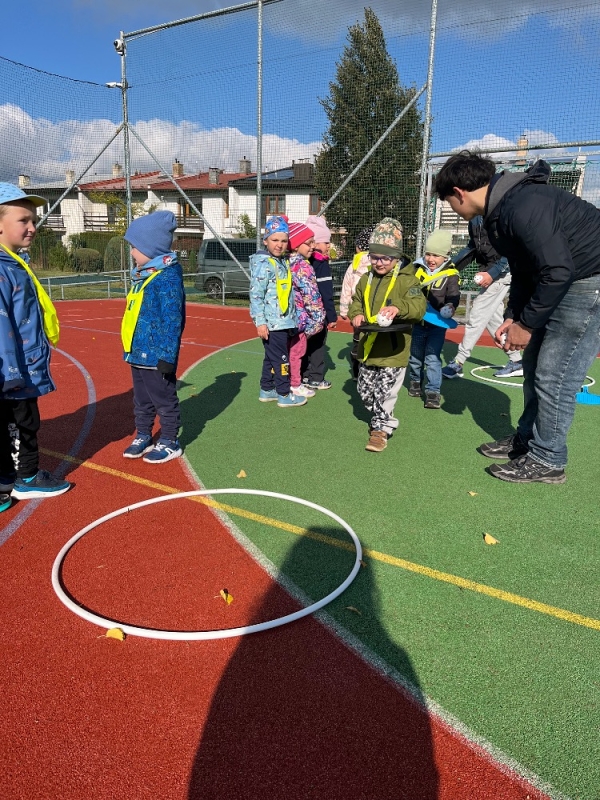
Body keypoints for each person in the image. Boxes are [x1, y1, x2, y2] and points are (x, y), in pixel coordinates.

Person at [434, 149, 600, 483]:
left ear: (459, 193)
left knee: (556, 375)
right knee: (536, 368)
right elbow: (524, 269)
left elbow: (556, 269)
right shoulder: (499, 211)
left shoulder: (522, 205)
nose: (453, 210)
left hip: (587, 281)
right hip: (565, 278)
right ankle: (528, 439)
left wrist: (527, 324)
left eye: (449, 203)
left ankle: (548, 458)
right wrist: (513, 316)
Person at [0, 183, 70, 505]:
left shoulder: (14, 262)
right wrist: (13, 373)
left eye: (34, 220)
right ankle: (27, 477)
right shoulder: (3, 269)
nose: (32, 227)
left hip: (17, 365)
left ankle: (4, 484)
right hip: (15, 370)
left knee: (10, 424)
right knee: (24, 424)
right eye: (24, 220)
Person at [349, 218, 426, 452]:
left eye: (385, 258)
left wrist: (398, 308)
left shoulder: (409, 280)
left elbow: (419, 307)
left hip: (394, 350)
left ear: (396, 257)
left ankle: (381, 429)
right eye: (374, 257)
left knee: (384, 393)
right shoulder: (365, 279)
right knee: (364, 392)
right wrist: (356, 314)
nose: (379, 262)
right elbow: (356, 302)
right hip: (368, 347)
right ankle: (380, 416)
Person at [121, 210, 186, 463]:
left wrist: (167, 357)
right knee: (141, 399)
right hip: (138, 351)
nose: (131, 252)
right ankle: (144, 434)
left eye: (135, 247)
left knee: (164, 398)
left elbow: (172, 320)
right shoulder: (144, 275)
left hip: (157, 355)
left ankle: (170, 439)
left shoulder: (167, 277)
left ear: (152, 248)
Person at [442, 215, 523, 379]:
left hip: (503, 273)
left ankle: (458, 362)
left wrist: (491, 274)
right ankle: (516, 361)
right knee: (493, 320)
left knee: (477, 313)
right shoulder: (473, 219)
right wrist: (450, 267)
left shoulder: (499, 217)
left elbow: (509, 253)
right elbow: (472, 247)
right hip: (490, 271)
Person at [249, 216, 306, 408]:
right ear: (265, 240)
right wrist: (260, 322)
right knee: (282, 359)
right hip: (272, 323)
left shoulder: (282, 262)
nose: (279, 245)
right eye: (275, 240)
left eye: (283, 241)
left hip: (283, 321)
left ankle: (267, 389)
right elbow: (256, 295)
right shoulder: (264, 265)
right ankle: (283, 393)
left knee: (271, 357)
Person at [407, 230, 460, 409]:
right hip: (418, 323)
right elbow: (409, 289)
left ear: (444, 257)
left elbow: (453, 295)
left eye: (436, 255)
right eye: (428, 254)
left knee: (432, 358)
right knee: (415, 356)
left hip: (437, 326)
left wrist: (451, 306)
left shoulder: (451, 274)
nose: (431, 259)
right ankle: (415, 381)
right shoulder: (417, 269)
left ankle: (433, 391)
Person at [287, 222, 326, 398]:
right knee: (297, 352)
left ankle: (283, 381)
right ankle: (295, 383)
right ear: (296, 245)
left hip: (286, 318)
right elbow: (310, 294)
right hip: (301, 319)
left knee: (286, 352)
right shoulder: (303, 266)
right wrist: (319, 318)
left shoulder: (284, 263)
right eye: (309, 243)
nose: (313, 246)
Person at [302, 215, 338, 389]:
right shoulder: (321, 264)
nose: (328, 245)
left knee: (304, 343)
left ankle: (304, 375)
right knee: (317, 345)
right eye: (326, 242)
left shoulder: (302, 261)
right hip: (318, 313)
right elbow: (326, 292)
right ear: (315, 243)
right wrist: (331, 316)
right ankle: (316, 377)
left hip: (304, 312)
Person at [339, 225, 375, 379]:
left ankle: (356, 370)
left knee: (357, 339)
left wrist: (343, 310)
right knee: (374, 338)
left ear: (360, 247)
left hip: (357, 308)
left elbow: (346, 288)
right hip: (374, 308)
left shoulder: (353, 264)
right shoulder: (380, 262)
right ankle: (372, 369)